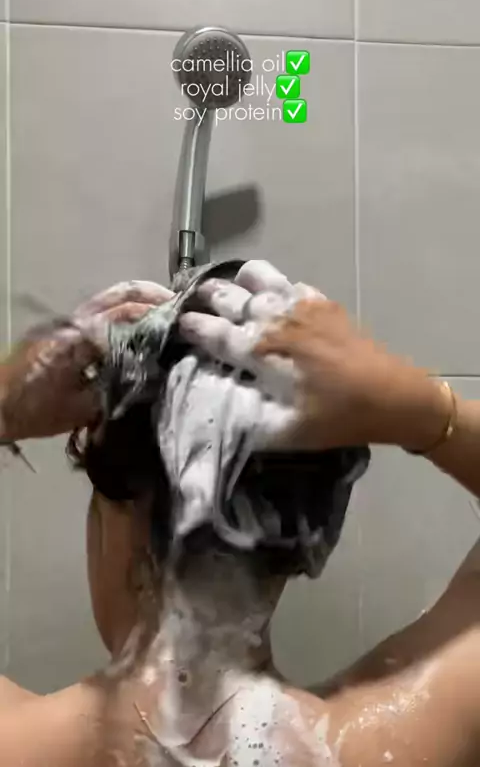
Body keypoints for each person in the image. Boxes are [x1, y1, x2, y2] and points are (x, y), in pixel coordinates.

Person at [0, 261, 478, 767]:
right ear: (302, 531)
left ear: (123, 508)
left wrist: (6, 403)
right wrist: (421, 410)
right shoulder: (395, 743)